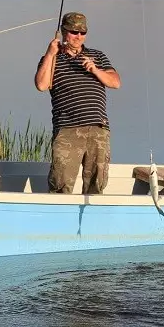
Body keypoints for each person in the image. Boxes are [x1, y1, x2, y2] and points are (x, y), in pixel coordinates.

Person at [34, 12, 121, 194]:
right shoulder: (52, 59)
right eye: (74, 32)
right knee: (60, 185)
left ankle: (93, 220)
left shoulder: (97, 55)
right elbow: (41, 85)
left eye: (82, 33)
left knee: (96, 185)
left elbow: (115, 82)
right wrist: (50, 54)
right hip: (67, 130)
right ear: (63, 32)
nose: (78, 37)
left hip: (98, 129)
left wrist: (95, 70)